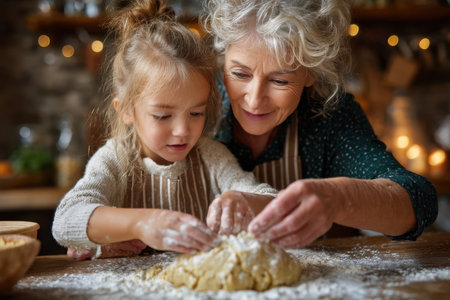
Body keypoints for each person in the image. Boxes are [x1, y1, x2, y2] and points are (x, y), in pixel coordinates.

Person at [52, 0, 277, 259]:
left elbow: (272, 201)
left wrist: (244, 201)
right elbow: (65, 220)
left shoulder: (211, 157)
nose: (183, 130)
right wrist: (137, 225)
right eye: (163, 115)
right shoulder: (115, 159)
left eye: (196, 113)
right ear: (126, 110)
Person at [203, 0, 438, 248]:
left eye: (280, 81)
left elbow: (418, 199)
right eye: (240, 74)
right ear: (223, 57)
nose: (254, 99)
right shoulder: (196, 106)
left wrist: (338, 199)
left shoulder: (328, 117)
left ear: (311, 71)